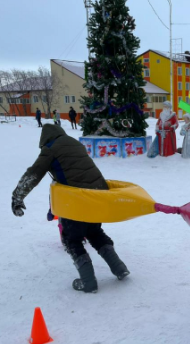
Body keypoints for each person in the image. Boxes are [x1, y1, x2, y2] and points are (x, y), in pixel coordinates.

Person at [11, 123, 130, 293]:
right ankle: (119, 268)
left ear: (44, 139)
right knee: (94, 232)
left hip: (76, 199)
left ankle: (88, 282)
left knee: (72, 238)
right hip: (97, 195)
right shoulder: (74, 142)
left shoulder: (50, 148)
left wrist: (17, 196)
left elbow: (34, 173)